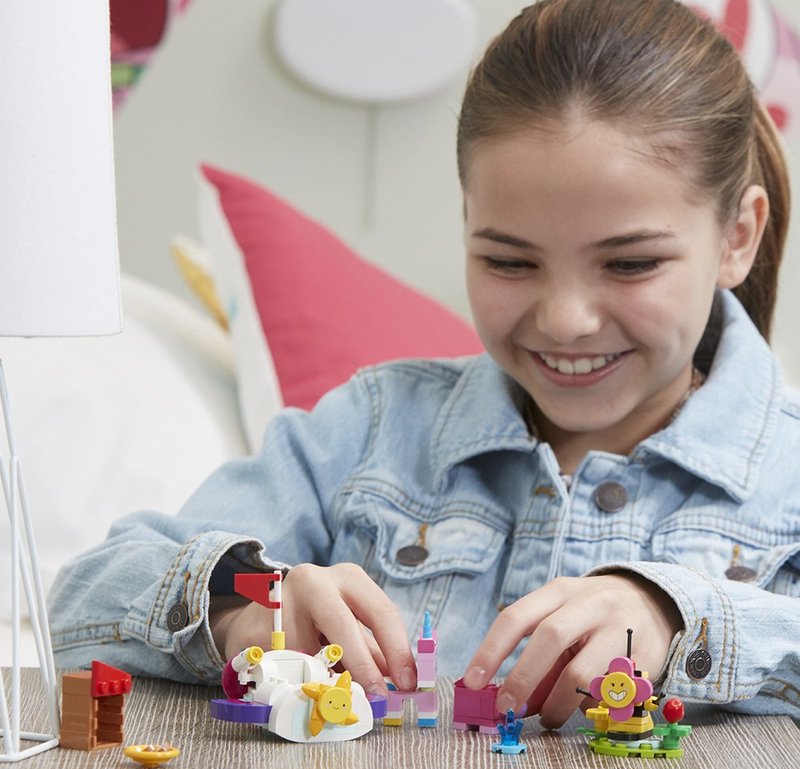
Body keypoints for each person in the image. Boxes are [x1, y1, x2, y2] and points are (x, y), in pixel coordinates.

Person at [50, 0, 799, 729]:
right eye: (509, 261)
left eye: (630, 263)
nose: (564, 320)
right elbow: (79, 603)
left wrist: (679, 619)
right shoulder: (369, 431)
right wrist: (245, 610)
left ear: (737, 237)